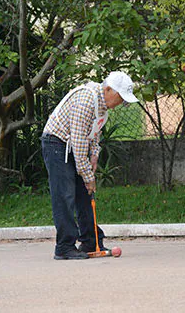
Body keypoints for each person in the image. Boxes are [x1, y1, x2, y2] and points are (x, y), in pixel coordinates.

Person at [41, 71, 139, 260]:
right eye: (120, 97)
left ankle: (91, 241)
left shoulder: (102, 106)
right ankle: (64, 247)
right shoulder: (86, 101)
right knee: (65, 195)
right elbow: (78, 144)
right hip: (56, 143)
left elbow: (94, 132)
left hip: (73, 145)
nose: (120, 103)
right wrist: (88, 177)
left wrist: (94, 154)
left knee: (84, 195)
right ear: (108, 89)